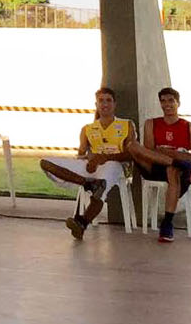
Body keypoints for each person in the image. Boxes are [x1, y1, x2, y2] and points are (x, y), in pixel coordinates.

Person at [38, 87, 133, 238]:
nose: (105, 104)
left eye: (108, 100)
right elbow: (81, 155)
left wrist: (105, 158)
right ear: (96, 104)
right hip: (91, 166)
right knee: (45, 163)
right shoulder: (87, 129)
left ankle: (82, 222)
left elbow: (131, 154)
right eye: (101, 101)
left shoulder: (126, 125)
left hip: (114, 164)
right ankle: (88, 183)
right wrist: (89, 158)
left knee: (101, 189)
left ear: (115, 104)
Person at [128, 86, 191, 243]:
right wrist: (172, 156)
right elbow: (149, 152)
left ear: (178, 103)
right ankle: (174, 163)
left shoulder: (190, 127)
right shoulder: (151, 124)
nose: (167, 104)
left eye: (171, 101)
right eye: (163, 101)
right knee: (132, 146)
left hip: (176, 169)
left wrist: (170, 153)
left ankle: (167, 223)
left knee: (172, 170)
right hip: (154, 166)